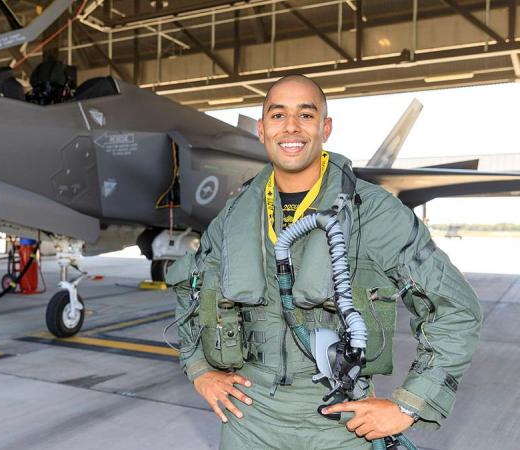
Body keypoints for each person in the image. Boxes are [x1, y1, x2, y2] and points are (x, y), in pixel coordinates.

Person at [166, 75, 482, 449]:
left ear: (325, 128)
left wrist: (410, 403)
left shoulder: (373, 211)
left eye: (306, 114)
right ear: (263, 130)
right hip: (249, 420)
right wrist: (199, 369)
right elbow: (190, 289)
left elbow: (455, 308)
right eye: (278, 115)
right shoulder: (235, 215)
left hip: (341, 423)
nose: (291, 127)